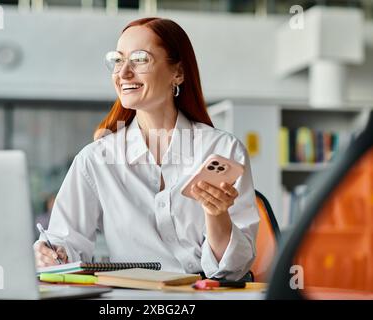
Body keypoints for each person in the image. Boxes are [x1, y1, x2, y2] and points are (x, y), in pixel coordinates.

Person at [34, 17, 259, 280]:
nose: (123, 72)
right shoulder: (96, 160)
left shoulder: (221, 149)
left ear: (178, 72)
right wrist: (52, 253)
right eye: (117, 60)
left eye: (140, 59)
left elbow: (234, 270)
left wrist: (217, 215)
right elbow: (67, 245)